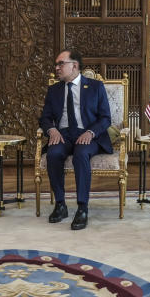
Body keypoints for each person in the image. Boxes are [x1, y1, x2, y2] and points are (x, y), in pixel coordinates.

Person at [39, 49, 112, 230]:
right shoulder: (54, 90)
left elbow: (105, 118)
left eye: (60, 64)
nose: (57, 68)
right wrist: (52, 129)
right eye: (56, 64)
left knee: (81, 155)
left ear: (75, 66)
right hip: (63, 134)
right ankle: (61, 204)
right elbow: (45, 118)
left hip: (87, 135)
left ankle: (82, 207)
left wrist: (90, 133)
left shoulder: (95, 87)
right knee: (53, 154)